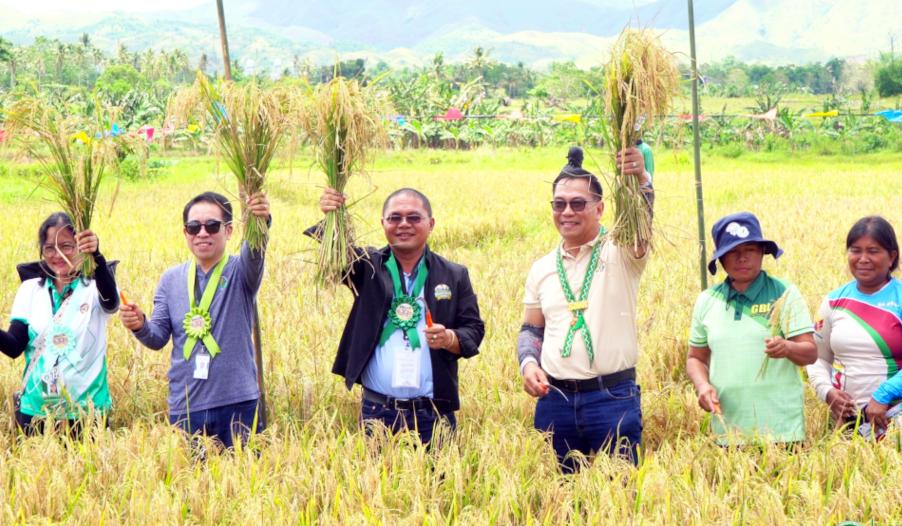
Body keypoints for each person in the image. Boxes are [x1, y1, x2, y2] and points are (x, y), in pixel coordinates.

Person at [517, 146, 653, 473]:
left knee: (617, 501)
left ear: (600, 208)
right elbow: (531, 329)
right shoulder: (542, 268)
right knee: (560, 497)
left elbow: (641, 227)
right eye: (559, 204)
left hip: (612, 399)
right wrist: (528, 363)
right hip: (555, 401)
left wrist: (641, 180)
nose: (567, 212)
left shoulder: (621, 251)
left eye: (578, 203)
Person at [312, 187, 484, 445]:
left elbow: (473, 328)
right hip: (377, 410)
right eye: (395, 218)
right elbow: (336, 256)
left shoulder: (453, 274)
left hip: (434, 412)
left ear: (431, 223)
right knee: (374, 484)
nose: (404, 224)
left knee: (438, 484)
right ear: (383, 223)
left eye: (414, 217)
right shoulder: (366, 266)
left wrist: (450, 338)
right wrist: (332, 217)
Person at [119, 191, 270, 448]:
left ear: (229, 230)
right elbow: (157, 338)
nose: (202, 233)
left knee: (243, 485)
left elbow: (255, 253)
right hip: (186, 405)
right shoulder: (171, 279)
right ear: (185, 233)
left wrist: (261, 221)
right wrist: (140, 324)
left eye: (212, 226)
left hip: (238, 403)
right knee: (189, 484)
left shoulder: (241, 271)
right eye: (193, 227)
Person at [686, 212, 816, 445]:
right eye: (733, 252)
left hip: (782, 431)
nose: (742, 258)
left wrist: (787, 348)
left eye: (750, 250)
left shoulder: (784, 293)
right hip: (728, 429)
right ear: (721, 259)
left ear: (762, 253)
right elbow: (696, 358)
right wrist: (703, 386)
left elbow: (810, 352)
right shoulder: (707, 301)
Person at [0, 212, 119, 435]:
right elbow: (15, 345)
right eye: (49, 248)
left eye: (67, 246)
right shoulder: (31, 289)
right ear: (41, 251)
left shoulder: (94, 286)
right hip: (36, 409)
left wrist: (98, 257)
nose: (58, 255)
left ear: (81, 246)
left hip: (87, 409)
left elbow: (111, 303)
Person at [807, 216, 902, 432]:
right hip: (847, 424)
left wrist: (883, 395)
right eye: (855, 250)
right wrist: (828, 393)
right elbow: (817, 358)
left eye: (873, 251)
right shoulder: (833, 301)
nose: (863, 258)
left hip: (894, 419)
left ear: (891, 257)